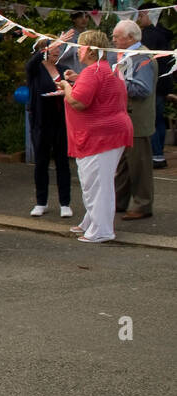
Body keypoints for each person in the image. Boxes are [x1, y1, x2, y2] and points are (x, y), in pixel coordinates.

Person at [53, 30, 132, 244]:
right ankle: (91, 222)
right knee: (98, 181)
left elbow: (79, 102)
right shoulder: (106, 69)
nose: (77, 51)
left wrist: (67, 86)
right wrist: (76, 81)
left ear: (88, 49)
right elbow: (97, 93)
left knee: (96, 184)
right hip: (111, 131)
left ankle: (102, 230)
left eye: (80, 47)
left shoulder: (93, 72)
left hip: (100, 134)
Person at [111, 19, 155, 221]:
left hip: (137, 120)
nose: (113, 39)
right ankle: (118, 201)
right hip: (125, 118)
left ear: (130, 38)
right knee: (123, 165)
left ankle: (142, 205)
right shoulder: (129, 55)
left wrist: (116, 83)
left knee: (139, 164)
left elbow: (143, 89)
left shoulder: (142, 57)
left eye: (116, 36)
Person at [25, 41, 73, 218]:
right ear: (43, 52)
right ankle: (41, 202)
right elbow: (30, 64)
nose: (57, 52)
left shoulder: (64, 68)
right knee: (41, 162)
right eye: (53, 49)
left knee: (62, 162)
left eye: (59, 49)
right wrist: (44, 48)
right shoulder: (35, 69)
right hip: (41, 121)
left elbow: (72, 89)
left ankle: (65, 203)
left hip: (61, 121)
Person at [139, 3, 172, 169]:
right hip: (164, 82)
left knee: (151, 119)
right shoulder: (164, 34)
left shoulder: (149, 36)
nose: (139, 19)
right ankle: (159, 154)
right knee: (158, 119)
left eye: (141, 15)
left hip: (153, 82)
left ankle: (156, 154)